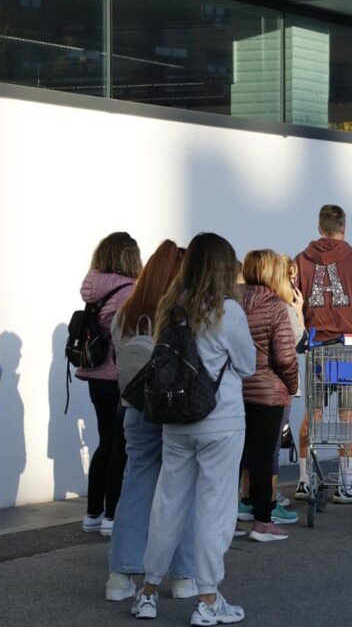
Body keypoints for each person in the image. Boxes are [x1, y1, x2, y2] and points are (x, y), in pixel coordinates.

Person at [132, 233, 256, 624]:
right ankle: (207, 599)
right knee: (214, 509)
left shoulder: (173, 306)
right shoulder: (227, 311)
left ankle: (147, 592)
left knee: (168, 505)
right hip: (220, 421)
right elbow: (248, 364)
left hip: (176, 420)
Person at [105, 240, 196, 603]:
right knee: (180, 491)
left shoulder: (125, 314)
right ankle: (185, 575)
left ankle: (120, 575)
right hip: (175, 411)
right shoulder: (181, 313)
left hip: (135, 408)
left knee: (136, 485)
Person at [293, 204, 352, 503]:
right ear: (344, 226)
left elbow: (295, 302)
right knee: (349, 416)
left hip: (317, 345)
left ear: (319, 227)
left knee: (313, 416)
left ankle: (304, 479)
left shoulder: (301, 261)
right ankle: (345, 481)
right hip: (349, 344)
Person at [77, 232, 141, 536]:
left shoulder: (92, 286)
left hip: (94, 375)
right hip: (118, 375)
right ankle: (112, 515)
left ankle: (92, 512)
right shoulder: (129, 291)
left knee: (104, 442)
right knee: (121, 446)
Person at [238, 250, 300, 542]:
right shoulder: (275, 306)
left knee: (234, 457)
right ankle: (263, 522)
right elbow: (286, 357)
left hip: (234, 390)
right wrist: (291, 384)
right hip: (267, 392)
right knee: (264, 457)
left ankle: (229, 518)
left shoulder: (230, 302)